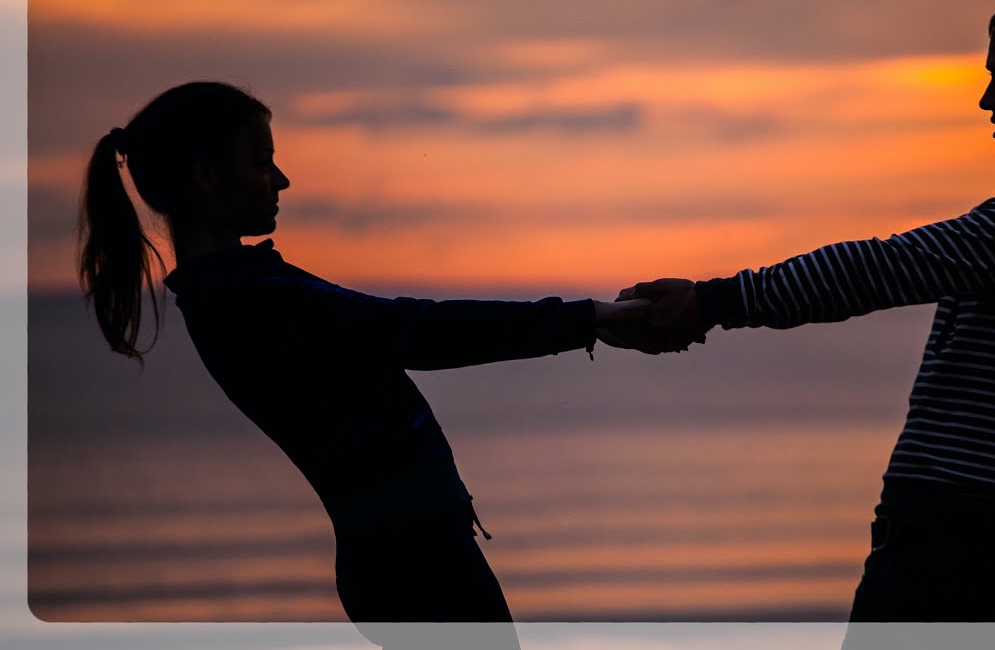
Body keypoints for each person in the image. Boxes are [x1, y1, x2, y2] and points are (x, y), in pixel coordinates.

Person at [603, 0, 995, 647]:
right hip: (955, 538)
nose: (987, 100)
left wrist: (713, 301)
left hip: (963, 547)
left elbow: (880, 268)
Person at [76, 81, 650, 649]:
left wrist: (586, 321)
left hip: (405, 555)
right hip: (415, 565)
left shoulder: (236, 291)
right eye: (261, 162)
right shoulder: (247, 298)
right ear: (207, 176)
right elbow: (415, 330)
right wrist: (588, 319)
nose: (281, 180)